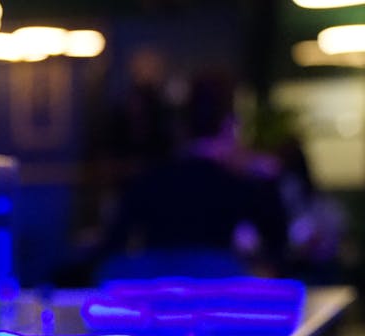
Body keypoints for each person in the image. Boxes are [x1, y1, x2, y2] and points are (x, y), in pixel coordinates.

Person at [104, 72, 289, 274]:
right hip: (215, 288)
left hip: (156, 288)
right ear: (229, 126)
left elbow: (115, 242)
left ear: (182, 127)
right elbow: (277, 241)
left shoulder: (149, 178)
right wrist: (268, 177)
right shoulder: (235, 182)